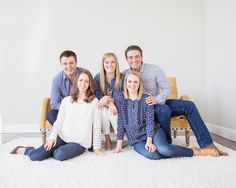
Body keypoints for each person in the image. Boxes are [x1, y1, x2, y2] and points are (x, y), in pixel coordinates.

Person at [123, 45, 228, 156]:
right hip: (142, 109)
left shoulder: (154, 69)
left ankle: (207, 145)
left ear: (141, 57)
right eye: (130, 57)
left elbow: (167, 88)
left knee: (189, 105)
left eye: (136, 56)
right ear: (126, 59)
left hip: (156, 102)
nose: (134, 60)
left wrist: (157, 99)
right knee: (164, 110)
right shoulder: (124, 74)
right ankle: (167, 142)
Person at [114, 71, 218, 159]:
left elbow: (150, 122)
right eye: (130, 81)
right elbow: (121, 121)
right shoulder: (121, 99)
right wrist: (119, 145)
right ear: (125, 83)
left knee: (164, 149)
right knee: (153, 155)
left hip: (153, 132)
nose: (132, 84)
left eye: (135, 82)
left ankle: (195, 152)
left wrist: (149, 141)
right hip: (136, 139)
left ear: (140, 84)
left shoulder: (146, 98)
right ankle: (175, 149)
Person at [10, 70, 102, 161]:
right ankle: (26, 149)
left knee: (59, 155)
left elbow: (97, 127)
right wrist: (52, 137)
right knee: (35, 156)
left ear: (90, 84)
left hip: (79, 143)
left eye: (86, 81)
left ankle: (54, 151)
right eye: (81, 80)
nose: (83, 83)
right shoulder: (66, 101)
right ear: (76, 81)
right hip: (63, 137)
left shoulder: (94, 102)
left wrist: (97, 148)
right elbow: (59, 121)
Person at [46, 50, 86, 125]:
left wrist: (79, 107)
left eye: (71, 63)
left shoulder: (85, 74)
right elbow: (54, 104)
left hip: (82, 109)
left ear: (76, 63)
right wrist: (70, 107)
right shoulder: (56, 79)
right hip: (65, 110)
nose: (68, 66)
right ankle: (65, 136)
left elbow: (92, 94)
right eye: (65, 63)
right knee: (50, 115)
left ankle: (70, 135)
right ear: (61, 65)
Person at [94, 52, 124, 150]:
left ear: (116, 64)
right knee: (102, 112)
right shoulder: (98, 78)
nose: (110, 65)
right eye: (107, 62)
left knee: (112, 113)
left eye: (112, 62)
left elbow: (120, 96)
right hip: (103, 105)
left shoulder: (122, 77)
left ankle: (119, 137)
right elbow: (97, 95)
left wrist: (109, 100)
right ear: (103, 64)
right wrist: (108, 102)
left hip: (118, 105)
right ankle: (107, 139)